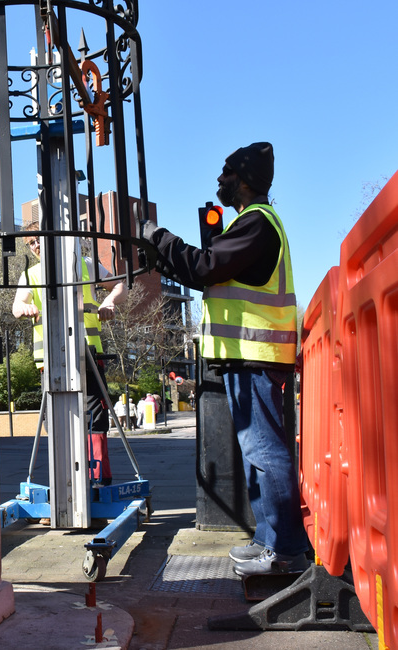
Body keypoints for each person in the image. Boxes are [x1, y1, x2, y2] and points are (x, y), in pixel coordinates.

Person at [141, 142, 308, 577]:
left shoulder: (257, 224)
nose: (220, 180)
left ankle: (288, 551)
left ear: (246, 178)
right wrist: (165, 254)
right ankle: (271, 540)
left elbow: (206, 266)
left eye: (227, 172)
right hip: (245, 357)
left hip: (256, 355)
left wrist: (158, 237)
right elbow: (207, 272)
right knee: (258, 453)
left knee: (266, 453)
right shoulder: (247, 224)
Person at [12, 225, 125, 487]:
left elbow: (119, 286)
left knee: (95, 416)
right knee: (56, 418)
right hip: (51, 358)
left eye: (39, 240)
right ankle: (66, 480)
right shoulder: (30, 274)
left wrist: (109, 302)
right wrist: (24, 307)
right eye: (31, 243)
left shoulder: (85, 264)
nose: (36, 246)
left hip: (87, 353)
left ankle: (98, 479)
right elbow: (17, 305)